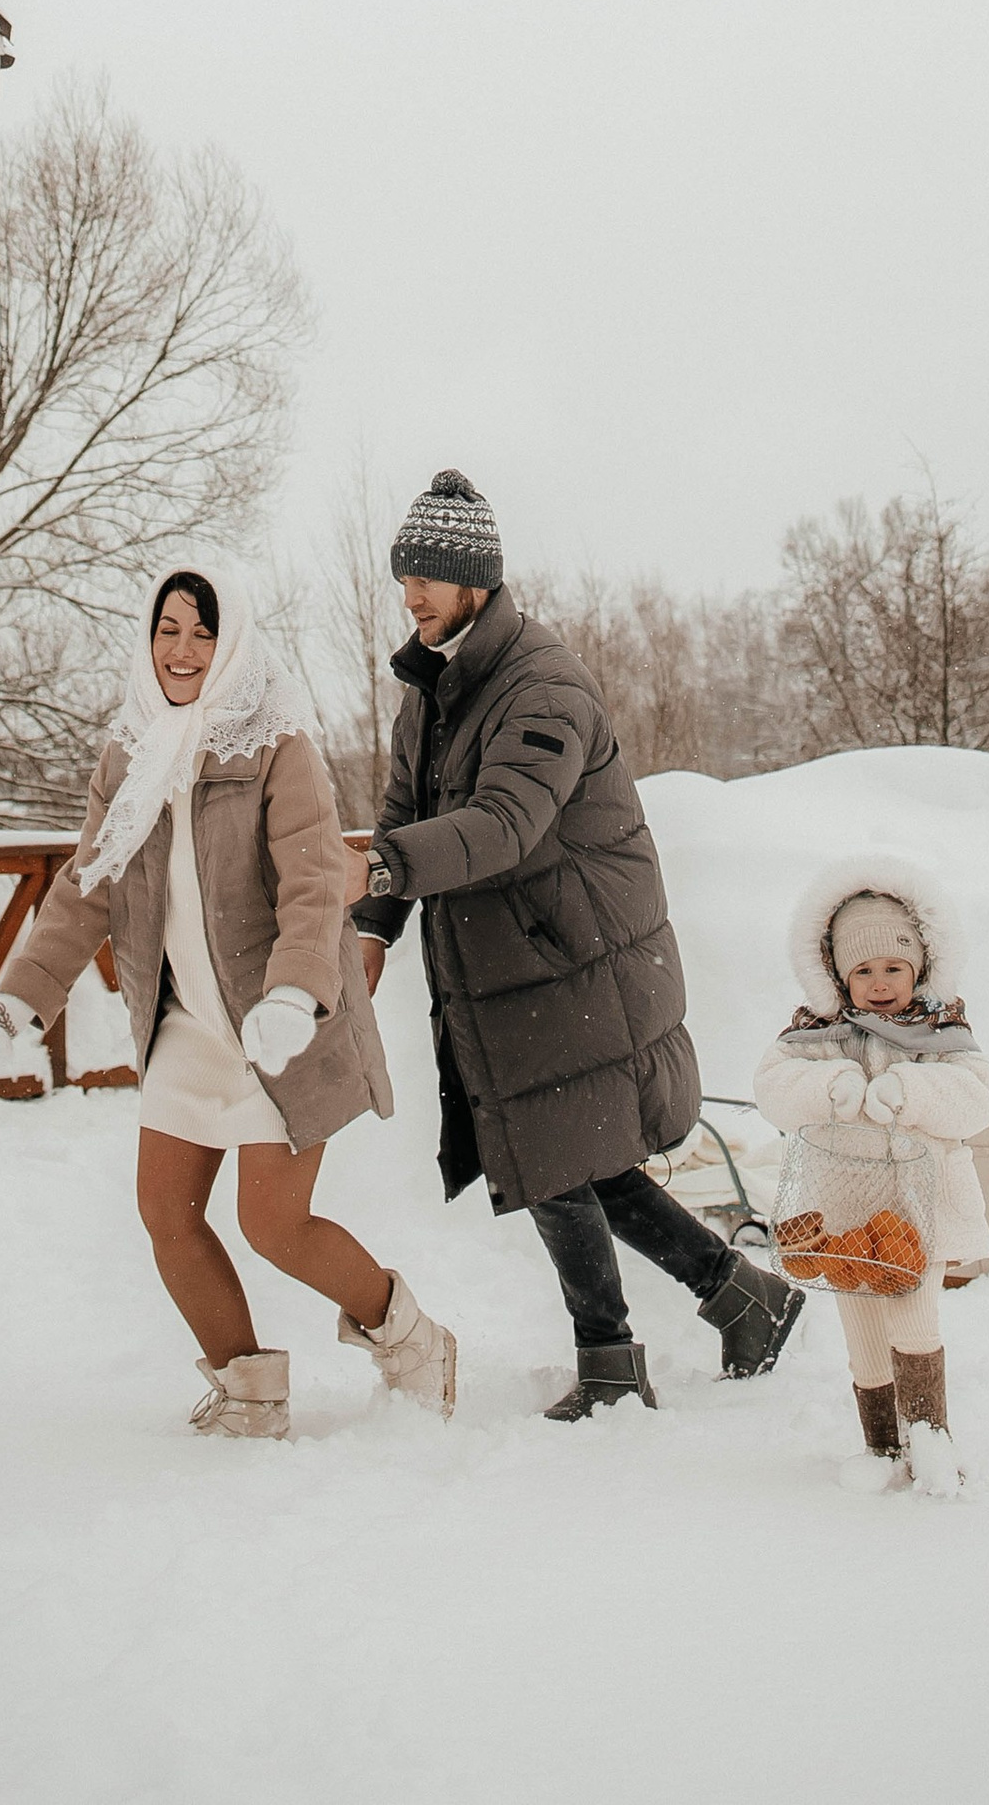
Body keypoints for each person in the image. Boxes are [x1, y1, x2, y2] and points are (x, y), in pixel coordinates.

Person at [0, 560, 456, 1442]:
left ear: (232, 643)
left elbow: (310, 878)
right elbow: (86, 886)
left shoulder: (276, 745)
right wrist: (19, 1002)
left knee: (274, 1224)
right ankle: (248, 1391)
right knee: (167, 1217)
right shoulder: (130, 749)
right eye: (168, 630)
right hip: (187, 1023)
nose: (182, 650)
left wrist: (296, 992)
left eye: (202, 632)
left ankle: (412, 1341)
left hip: (277, 1024)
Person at [349, 468, 802, 1417]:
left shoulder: (542, 685)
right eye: (406, 577)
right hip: (518, 961)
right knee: (574, 1155)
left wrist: (386, 868)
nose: (412, 595)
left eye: (427, 577)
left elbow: (506, 821)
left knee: (550, 1155)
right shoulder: (432, 682)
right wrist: (374, 923)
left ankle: (610, 1358)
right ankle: (741, 1300)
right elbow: (407, 804)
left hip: (571, 956)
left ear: (478, 582)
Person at [750, 859, 989, 1495]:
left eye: (893, 967)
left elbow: (977, 1097)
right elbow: (774, 1086)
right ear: (838, 974)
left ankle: (930, 1441)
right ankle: (882, 1446)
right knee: (863, 1334)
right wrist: (831, 1085)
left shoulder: (939, 1031)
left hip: (921, 1210)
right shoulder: (816, 1034)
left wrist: (909, 1089)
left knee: (914, 1322)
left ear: (919, 965)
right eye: (863, 971)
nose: (881, 985)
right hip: (844, 1211)